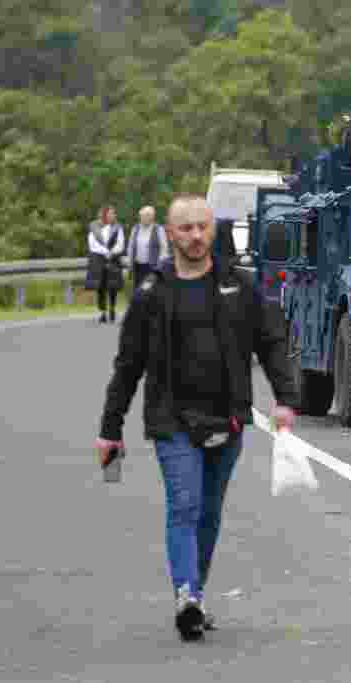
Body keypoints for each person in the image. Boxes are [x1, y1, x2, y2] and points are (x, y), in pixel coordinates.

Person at [94, 195, 298, 642]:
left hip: (228, 419)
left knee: (209, 513)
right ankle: (185, 594)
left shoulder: (238, 286)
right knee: (184, 506)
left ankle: (196, 594)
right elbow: (128, 366)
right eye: (185, 228)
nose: (195, 236)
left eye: (202, 226)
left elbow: (271, 343)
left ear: (213, 229)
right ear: (170, 233)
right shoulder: (152, 293)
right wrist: (110, 430)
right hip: (171, 420)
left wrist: (286, 398)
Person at [85, 206, 126, 323]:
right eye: (111, 213)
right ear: (104, 215)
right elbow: (92, 244)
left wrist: (112, 252)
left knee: (113, 286)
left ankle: (112, 309)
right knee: (100, 287)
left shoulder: (118, 227)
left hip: (113, 259)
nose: (114, 215)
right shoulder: (94, 226)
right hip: (98, 259)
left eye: (114, 213)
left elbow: (120, 243)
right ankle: (102, 312)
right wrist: (106, 252)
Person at [127, 205, 170, 289]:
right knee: (138, 288)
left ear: (151, 217)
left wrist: (160, 264)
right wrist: (130, 261)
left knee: (149, 288)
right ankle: (139, 302)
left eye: (144, 216)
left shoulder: (158, 229)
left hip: (152, 266)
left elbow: (164, 248)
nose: (141, 218)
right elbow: (130, 246)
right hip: (137, 265)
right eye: (141, 216)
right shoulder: (135, 228)